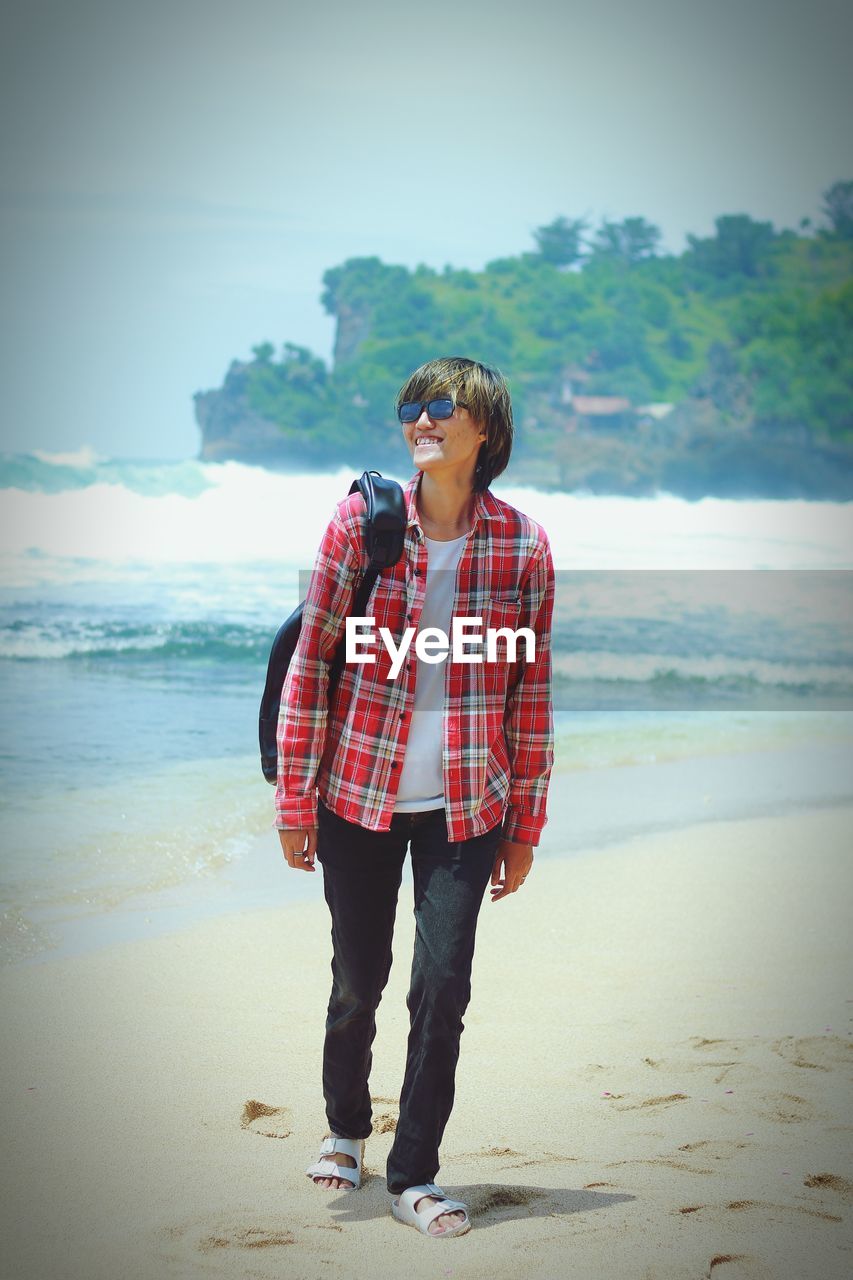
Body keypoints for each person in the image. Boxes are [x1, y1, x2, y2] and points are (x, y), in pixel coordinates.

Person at [276, 355, 554, 1238]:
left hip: (468, 807)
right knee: (358, 980)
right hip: (355, 793)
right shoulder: (359, 524)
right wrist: (293, 797)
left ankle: (413, 1175)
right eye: (412, 406)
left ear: (486, 430)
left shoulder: (523, 546)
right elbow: (311, 664)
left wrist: (526, 826)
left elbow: (532, 692)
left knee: (443, 984)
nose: (422, 419)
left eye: (443, 406)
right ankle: (344, 1129)